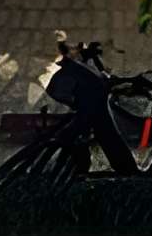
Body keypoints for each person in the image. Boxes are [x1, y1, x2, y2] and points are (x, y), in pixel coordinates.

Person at [44, 42, 144, 176]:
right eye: (75, 48)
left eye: (79, 47)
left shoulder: (87, 65)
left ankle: (126, 170)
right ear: (68, 53)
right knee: (87, 141)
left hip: (98, 109)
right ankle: (73, 173)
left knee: (108, 139)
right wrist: (76, 102)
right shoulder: (69, 70)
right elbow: (53, 90)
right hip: (89, 111)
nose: (80, 49)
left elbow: (102, 82)